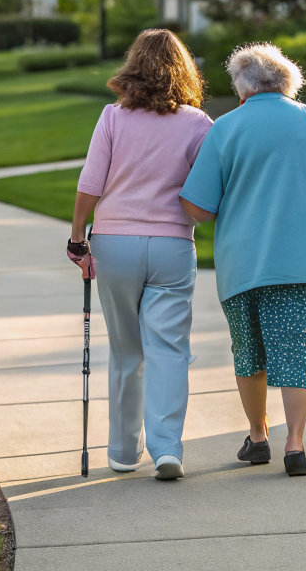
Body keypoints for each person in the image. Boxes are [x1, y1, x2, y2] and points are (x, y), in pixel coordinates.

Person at [179, 42, 306, 478]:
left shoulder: (226, 128)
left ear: (242, 88)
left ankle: (257, 438)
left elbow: (200, 208)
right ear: (287, 83)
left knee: (250, 353)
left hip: (245, 262)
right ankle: (295, 445)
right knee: (298, 352)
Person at [66, 28, 212, 481]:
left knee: (128, 350)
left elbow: (90, 183)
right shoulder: (199, 125)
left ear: (134, 66)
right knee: (169, 350)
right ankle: (167, 449)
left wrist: (77, 238)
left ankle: (124, 452)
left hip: (115, 245)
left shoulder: (113, 117)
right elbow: (205, 195)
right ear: (184, 72)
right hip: (172, 245)